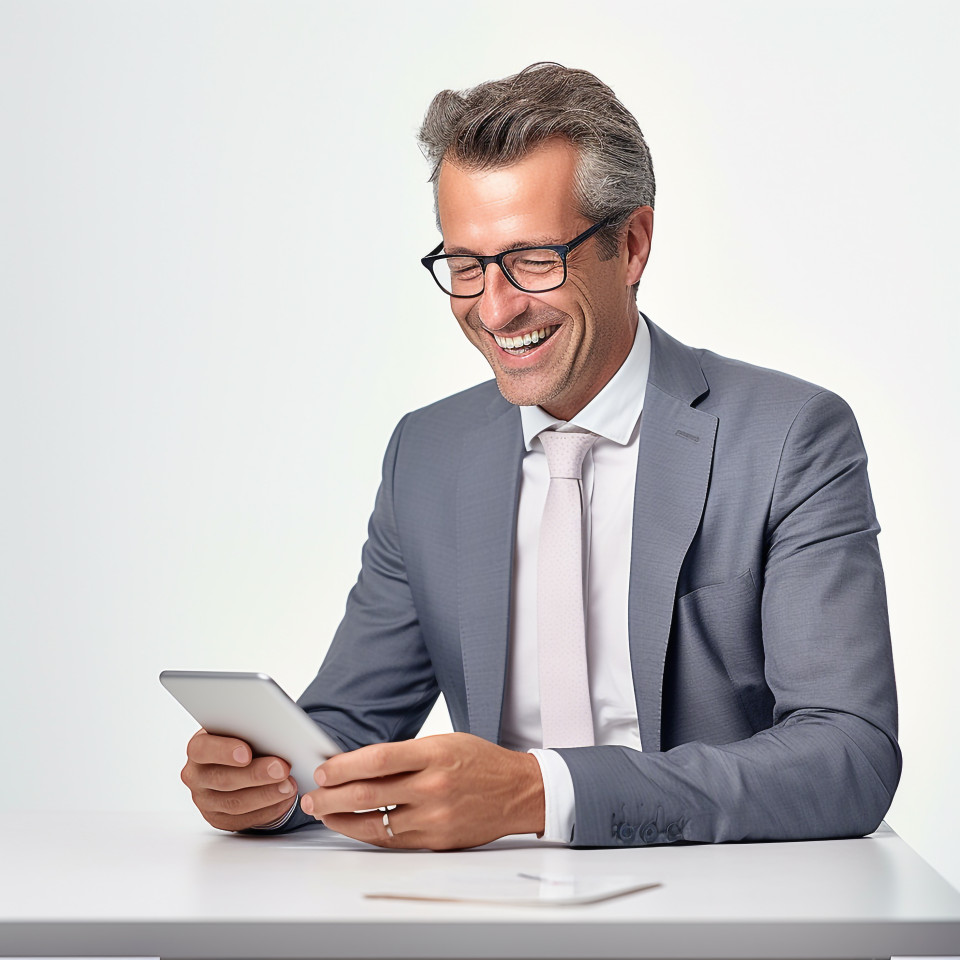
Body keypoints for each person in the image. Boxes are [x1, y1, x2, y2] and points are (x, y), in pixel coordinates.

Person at [179, 63, 900, 850]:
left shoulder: (790, 437)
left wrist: (540, 795)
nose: (495, 309)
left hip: (716, 906)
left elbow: (847, 754)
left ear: (630, 245)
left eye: (532, 260)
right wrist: (274, 784)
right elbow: (351, 724)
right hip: (488, 910)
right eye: (465, 265)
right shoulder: (426, 455)